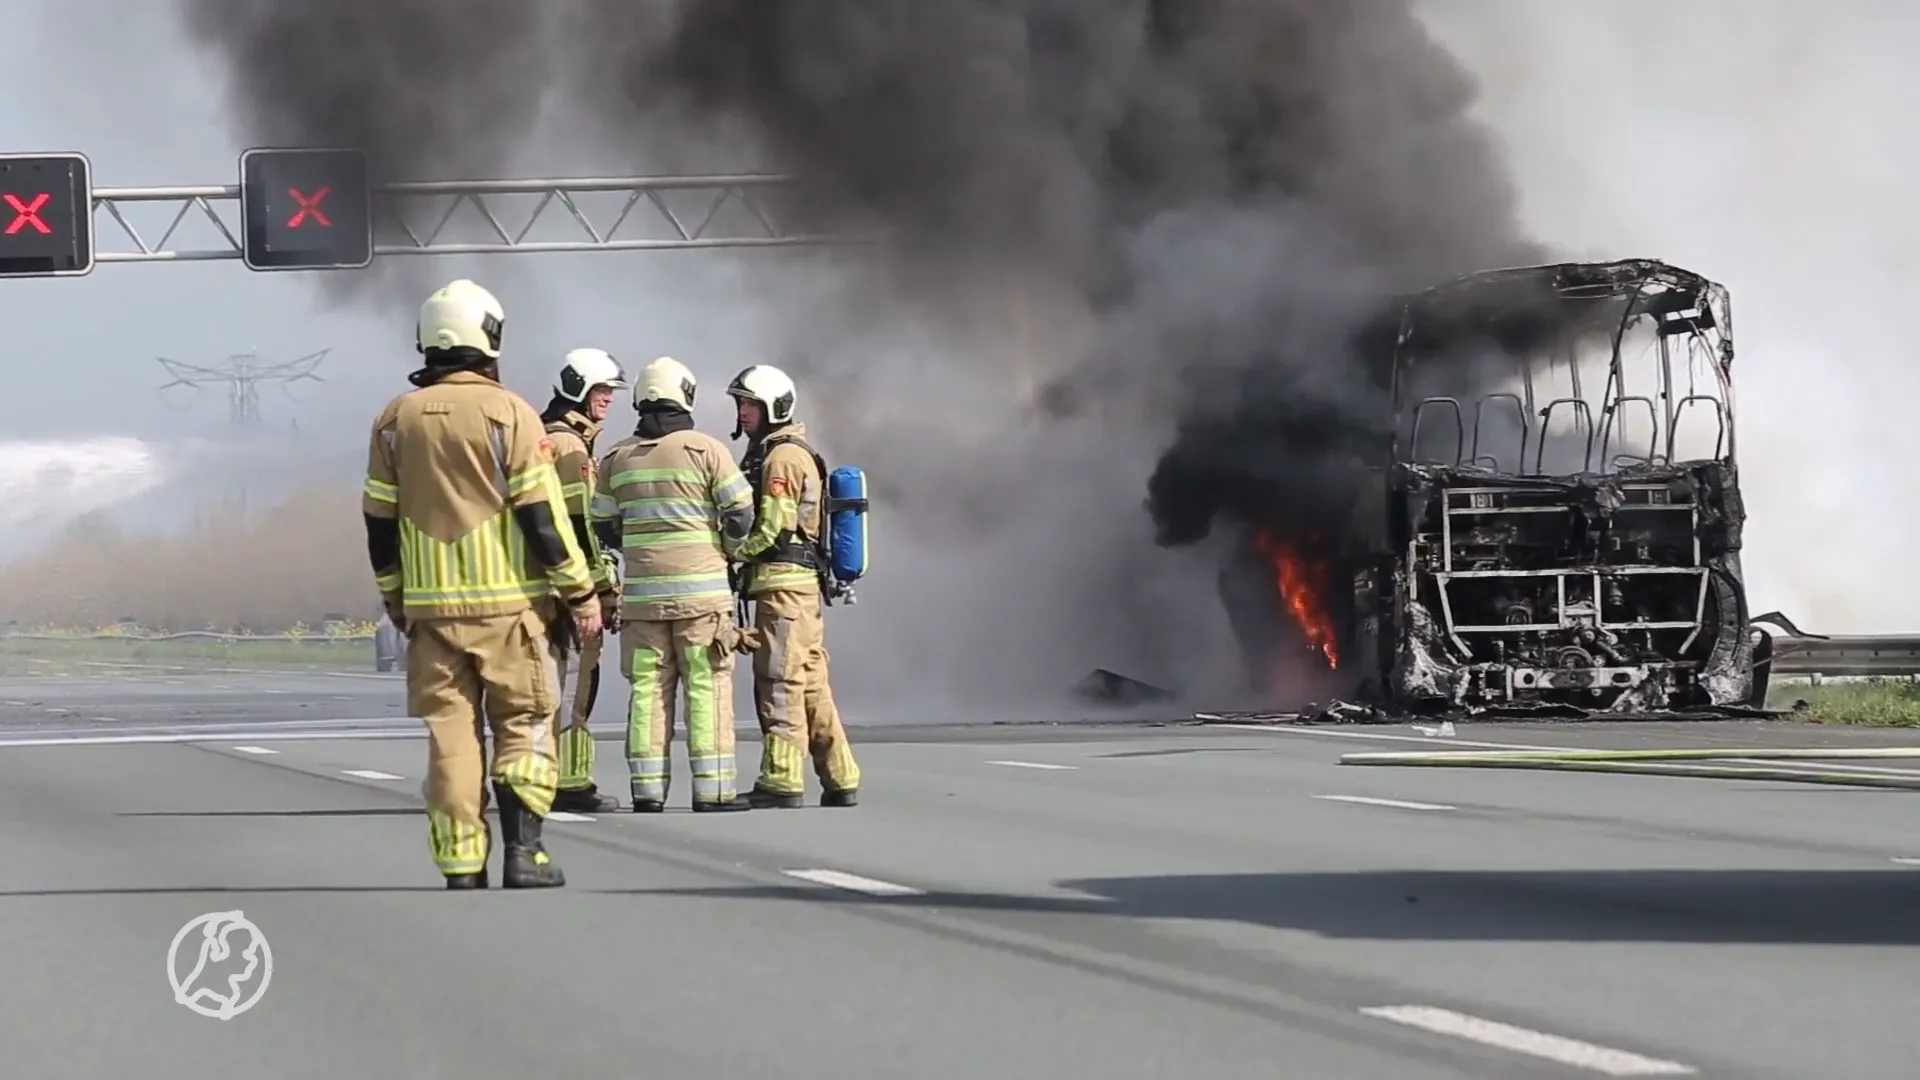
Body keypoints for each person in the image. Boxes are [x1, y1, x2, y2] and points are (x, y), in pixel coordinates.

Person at [362, 278, 603, 890]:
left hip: (430, 615)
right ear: (489, 338)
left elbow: (379, 523)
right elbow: (541, 517)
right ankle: (526, 855)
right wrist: (579, 592)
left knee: (451, 738)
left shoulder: (394, 421)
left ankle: (460, 862)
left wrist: (395, 596)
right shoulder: (510, 413)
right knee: (522, 725)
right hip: (510, 609)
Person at [588, 356, 756, 813]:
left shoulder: (616, 458)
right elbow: (741, 513)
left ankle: (646, 792)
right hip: (702, 602)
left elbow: (602, 524)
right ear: (686, 394)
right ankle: (713, 791)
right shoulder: (707, 450)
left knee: (647, 691)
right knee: (705, 686)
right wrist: (724, 546)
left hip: (642, 604)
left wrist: (641, 550)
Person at [724, 363, 861, 809]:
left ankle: (782, 779)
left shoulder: (781, 456)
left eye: (749, 404)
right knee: (811, 683)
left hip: (783, 591)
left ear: (772, 408)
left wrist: (733, 552)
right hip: (798, 592)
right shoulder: (781, 451)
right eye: (740, 404)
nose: (742, 412)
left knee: (779, 680)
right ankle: (840, 776)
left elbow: (773, 528)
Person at [539, 348, 629, 814]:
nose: (608, 400)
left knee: (545, 682)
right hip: (568, 588)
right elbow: (580, 525)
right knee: (577, 680)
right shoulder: (571, 448)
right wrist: (600, 589)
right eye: (601, 391)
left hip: (539, 584)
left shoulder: (542, 437)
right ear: (577, 388)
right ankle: (570, 781)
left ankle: (536, 774)